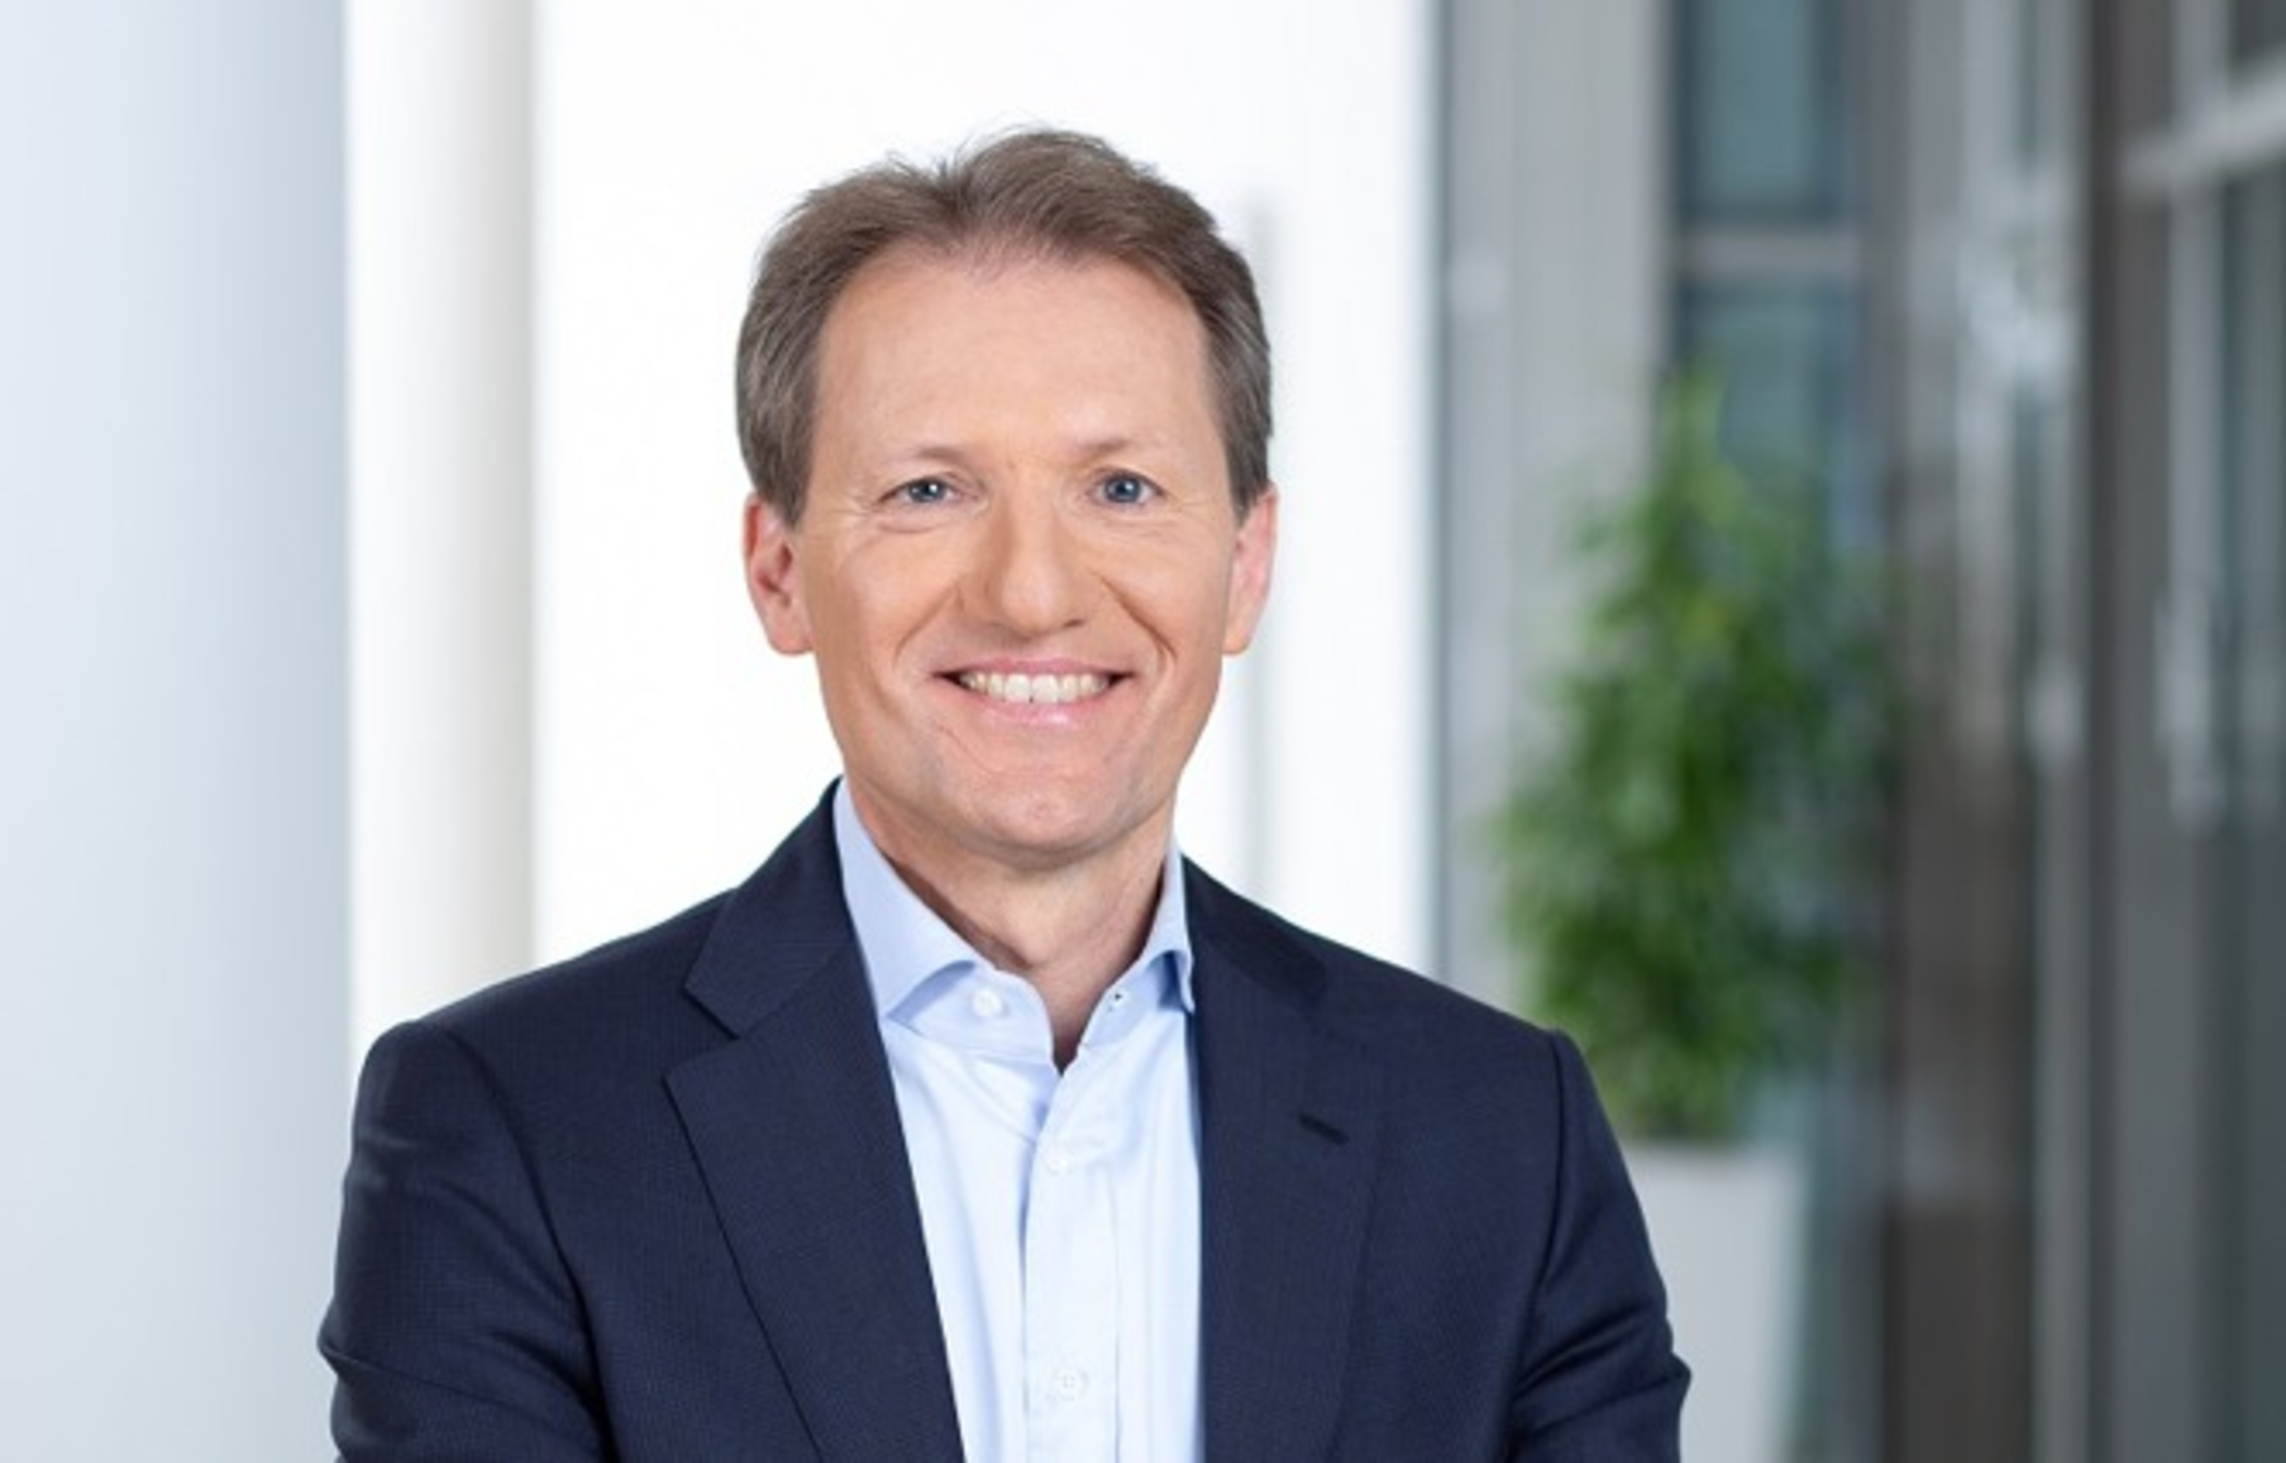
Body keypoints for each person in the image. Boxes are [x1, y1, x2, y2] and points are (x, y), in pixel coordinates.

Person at [321, 127, 1687, 1460]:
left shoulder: (1502, 1140)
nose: (1032, 593)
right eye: (929, 490)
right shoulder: (512, 1129)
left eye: (1122, 488)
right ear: (780, 572)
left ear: (1246, 565)